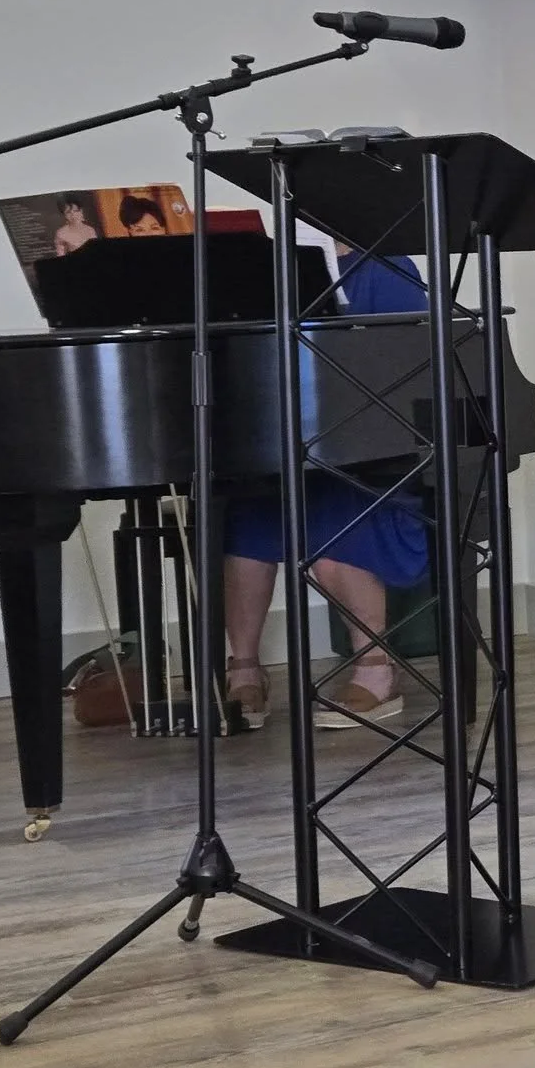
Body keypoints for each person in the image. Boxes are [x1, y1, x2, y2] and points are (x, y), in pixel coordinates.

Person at [223, 247, 430, 728]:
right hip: (299, 448)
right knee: (249, 518)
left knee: (335, 513)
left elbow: (407, 369)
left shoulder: (386, 268)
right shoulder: (274, 267)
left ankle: (377, 669)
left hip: (374, 457)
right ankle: (245, 669)